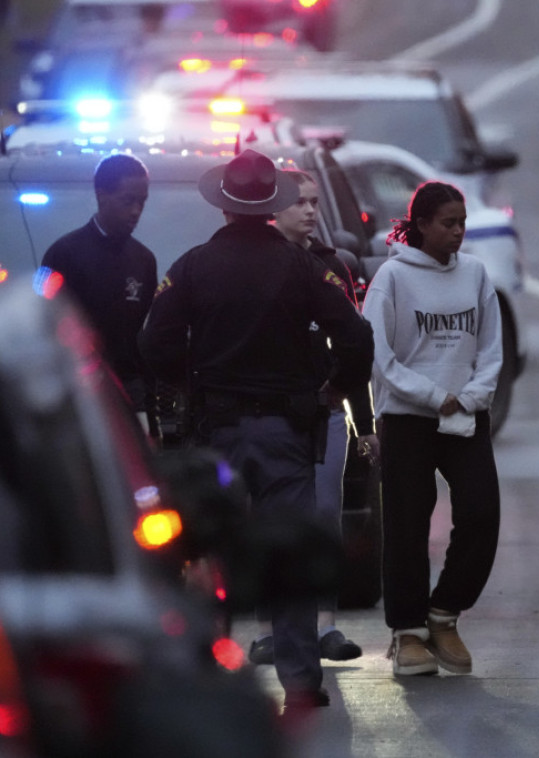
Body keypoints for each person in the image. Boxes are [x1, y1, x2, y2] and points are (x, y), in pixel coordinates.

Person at [138, 149, 374, 711]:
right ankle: (299, 680)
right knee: (288, 552)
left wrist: (190, 384)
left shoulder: (191, 266)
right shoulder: (302, 267)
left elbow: (153, 344)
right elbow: (356, 337)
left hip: (216, 430)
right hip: (286, 433)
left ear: (223, 207)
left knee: (211, 553)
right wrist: (336, 388)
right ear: (272, 205)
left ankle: (208, 670)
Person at [361, 181, 502, 677]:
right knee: (406, 523)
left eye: (462, 222)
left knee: (482, 513)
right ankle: (408, 633)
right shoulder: (392, 279)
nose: (459, 232)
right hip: (408, 418)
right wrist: (430, 394)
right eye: (448, 223)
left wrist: (471, 395)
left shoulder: (476, 274)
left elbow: (491, 349)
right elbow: (378, 356)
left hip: (464, 412)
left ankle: (444, 614)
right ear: (421, 225)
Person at [245, 168, 376, 666]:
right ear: (272, 209)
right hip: (267, 413)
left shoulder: (334, 266)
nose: (310, 211)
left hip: (324, 413)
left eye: (315, 202)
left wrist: (363, 425)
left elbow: (354, 347)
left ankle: (326, 625)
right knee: (267, 522)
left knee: (325, 517)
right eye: (299, 202)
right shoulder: (252, 265)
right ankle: (266, 629)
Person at [40, 153, 157, 434]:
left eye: (142, 202)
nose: (136, 211)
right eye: (128, 200)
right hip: (78, 394)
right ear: (102, 195)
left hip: (130, 394)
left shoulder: (144, 260)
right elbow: (43, 324)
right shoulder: (63, 253)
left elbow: (140, 332)